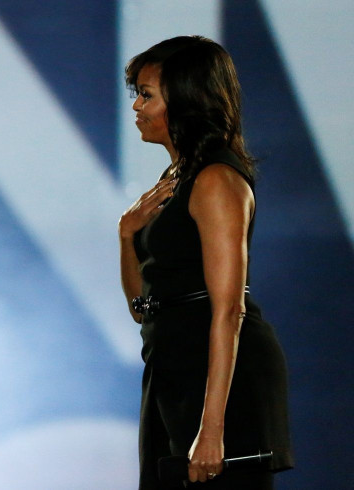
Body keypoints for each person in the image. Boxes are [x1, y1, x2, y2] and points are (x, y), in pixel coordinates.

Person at [118, 36, 293, 489]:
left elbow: (228, 308)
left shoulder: (215, 178)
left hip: (219, 380)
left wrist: (212, 428)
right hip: (171, 369)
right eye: (136, 92)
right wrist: (126, 234)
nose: (136, 105)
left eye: (147, 94)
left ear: (187, 100)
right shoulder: (174, 180)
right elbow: (142, 309)